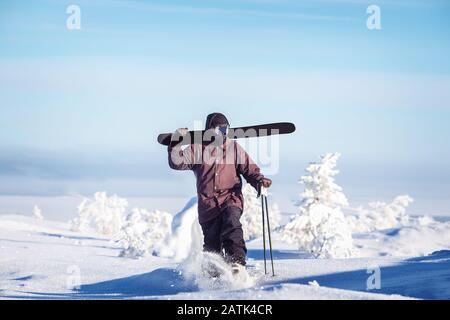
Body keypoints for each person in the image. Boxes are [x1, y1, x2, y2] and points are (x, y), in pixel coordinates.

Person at [167, 112, 272, 272]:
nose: (223, 134)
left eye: (226, 130)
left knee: (232, 226)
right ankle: (213, 279)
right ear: (209, 130)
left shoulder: (234, 148)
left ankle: (237, 265)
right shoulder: (197, 149)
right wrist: (176, 142)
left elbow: (250, 170)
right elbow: (177, 162)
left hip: (230, 199)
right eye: (219, 130)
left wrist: (259, 181)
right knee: (212, 247)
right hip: (208, 206)